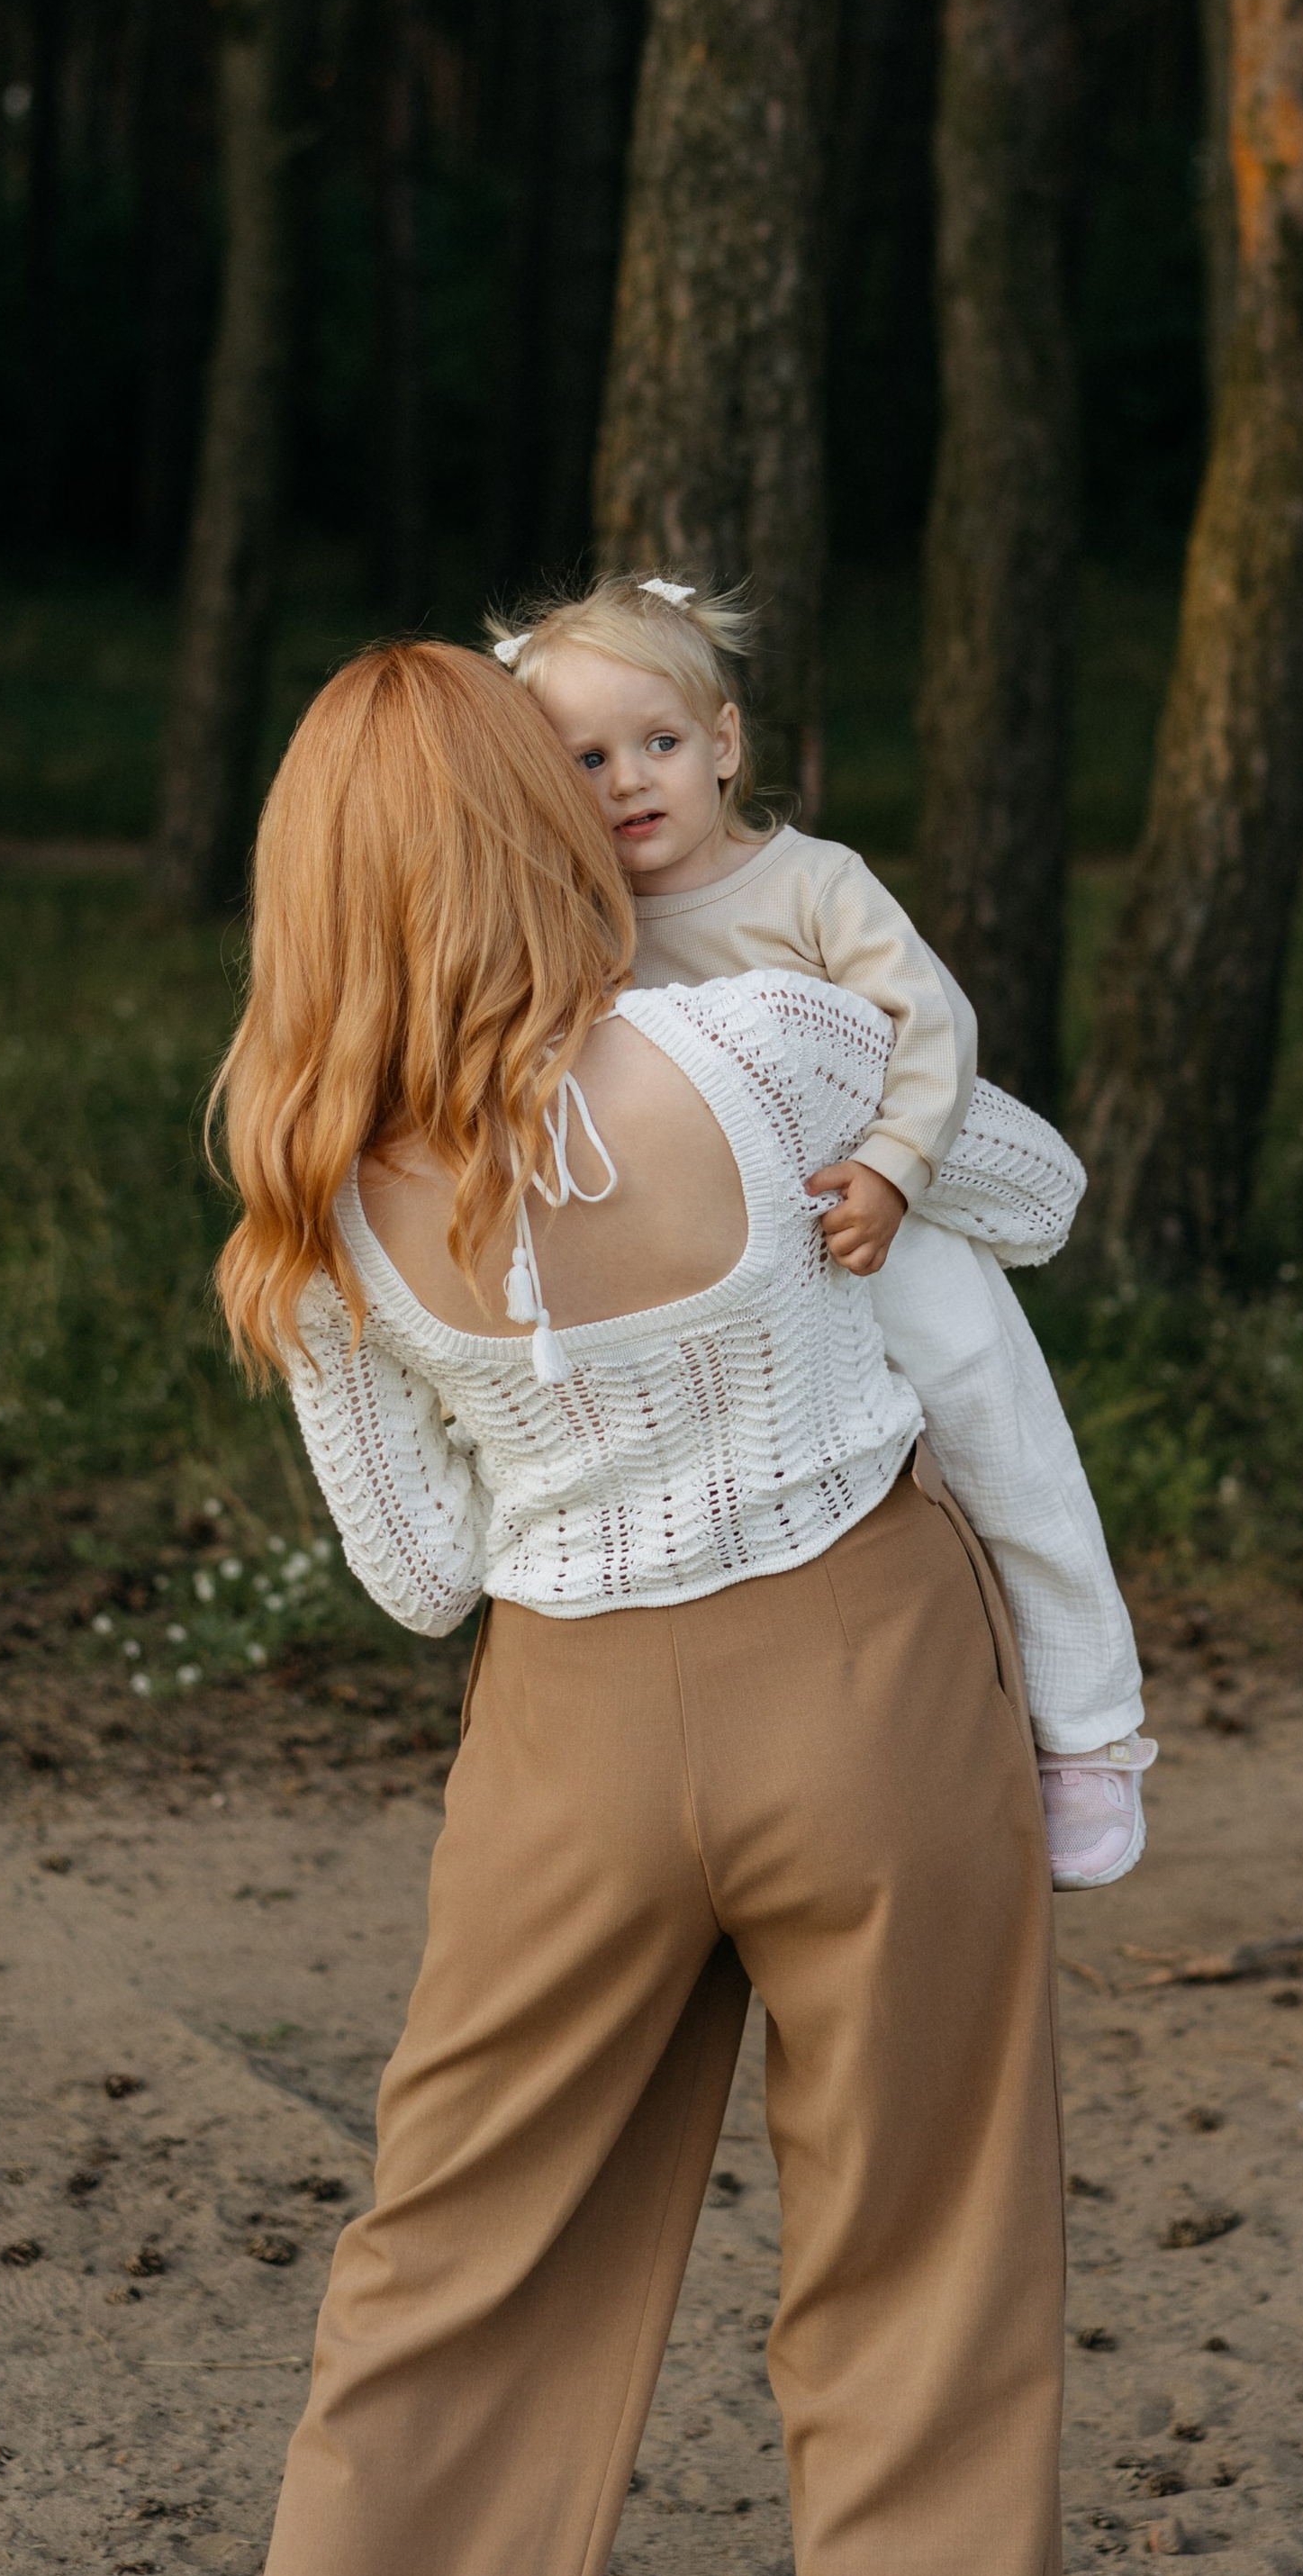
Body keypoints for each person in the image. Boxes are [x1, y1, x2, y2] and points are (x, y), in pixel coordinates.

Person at [215, 642, 1070, 2576]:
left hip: (567, 1742)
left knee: (454, 2261)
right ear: (540, 822)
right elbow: (1025, 1193)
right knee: (919, 2260)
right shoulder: (761, 1041)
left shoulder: (316, 1188)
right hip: (869, 1680)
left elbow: (422, 1570)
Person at [487, 567, 1155, 1887]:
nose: (629, 782)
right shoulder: (583, 922)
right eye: (586, 759)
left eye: (661, 744)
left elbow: (931, 1022)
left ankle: (1091, 1733)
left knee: (998, 1431)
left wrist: (899, 1173)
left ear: (726, 745)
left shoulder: (809, 883)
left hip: (876, 1219)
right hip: (743, 1276)